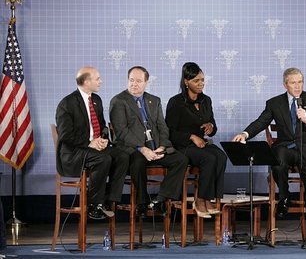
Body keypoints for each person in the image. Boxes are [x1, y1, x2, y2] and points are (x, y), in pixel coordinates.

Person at [233, 67, 306, 249]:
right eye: (293, 82)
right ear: (285, 84)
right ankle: (284, 196)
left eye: (300, 82)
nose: (297, 86)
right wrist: (245, 134)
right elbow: (261, 122)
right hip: (286, 147)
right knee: (277, 159)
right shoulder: (274, 103)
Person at [109, 66, 188, 217]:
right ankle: (142, 203)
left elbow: (162, 127)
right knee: (138, 161)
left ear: (146, 82)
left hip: (156, 149)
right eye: (131, 80)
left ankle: (160, 199)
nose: (134, 84)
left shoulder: (154, 100)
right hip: (134, 149)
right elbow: (122, 132)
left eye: (139, 81)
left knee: (181, 159)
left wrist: (162, 146)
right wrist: (142, 148)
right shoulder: (119, 101)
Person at [55, 66, 129, 220]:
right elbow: (65, 135)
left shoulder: (96, 100)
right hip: (74, 152)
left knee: (122, 156)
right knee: (103, 158)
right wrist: (89, 143)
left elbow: (102, 125)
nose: (101, 81)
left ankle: (109, 200)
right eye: (97, 79)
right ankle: (94, 204)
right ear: (87, 81)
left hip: (94, 148)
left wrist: (103, 138)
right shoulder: (67, 103)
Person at [165, 62, 227, 218]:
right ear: (186, 82)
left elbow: (213, 127)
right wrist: (191, 137)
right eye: (196, 81)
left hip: (202, 144)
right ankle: (200, 200)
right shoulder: (176, 102)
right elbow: (169, 132)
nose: (201, 84)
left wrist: (210, 126)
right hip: (183, 145)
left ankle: (209, 199)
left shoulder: (206, 100)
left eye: (202, 80)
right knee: (209, 158)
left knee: (221, 156)